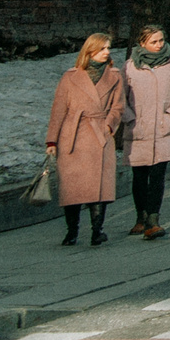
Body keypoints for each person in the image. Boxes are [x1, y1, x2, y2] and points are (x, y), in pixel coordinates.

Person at [44, 33, 124, 246]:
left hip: (100, 135)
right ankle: (72, 232)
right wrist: (52, 141)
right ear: (90, 51)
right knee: (73, 187)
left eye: (108, 48)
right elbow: (58, 109)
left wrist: (109, 125)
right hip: (73, 136)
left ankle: (97, 231)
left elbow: (118, 106)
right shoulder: (70, 77)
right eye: (102, 48)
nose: (107, 52)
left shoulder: (114, 76)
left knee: (100, 186)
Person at [119, 24, 170, 238]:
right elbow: (119, 97)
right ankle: (140, 218)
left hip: (163, 128)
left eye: (161, 40)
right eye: (154, 42)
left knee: (158, 175)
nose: (159, 45)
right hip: (139, 128)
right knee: (139, 176)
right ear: (142, 43)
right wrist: (130, 118)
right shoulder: (130, 66)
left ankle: (153, 220)